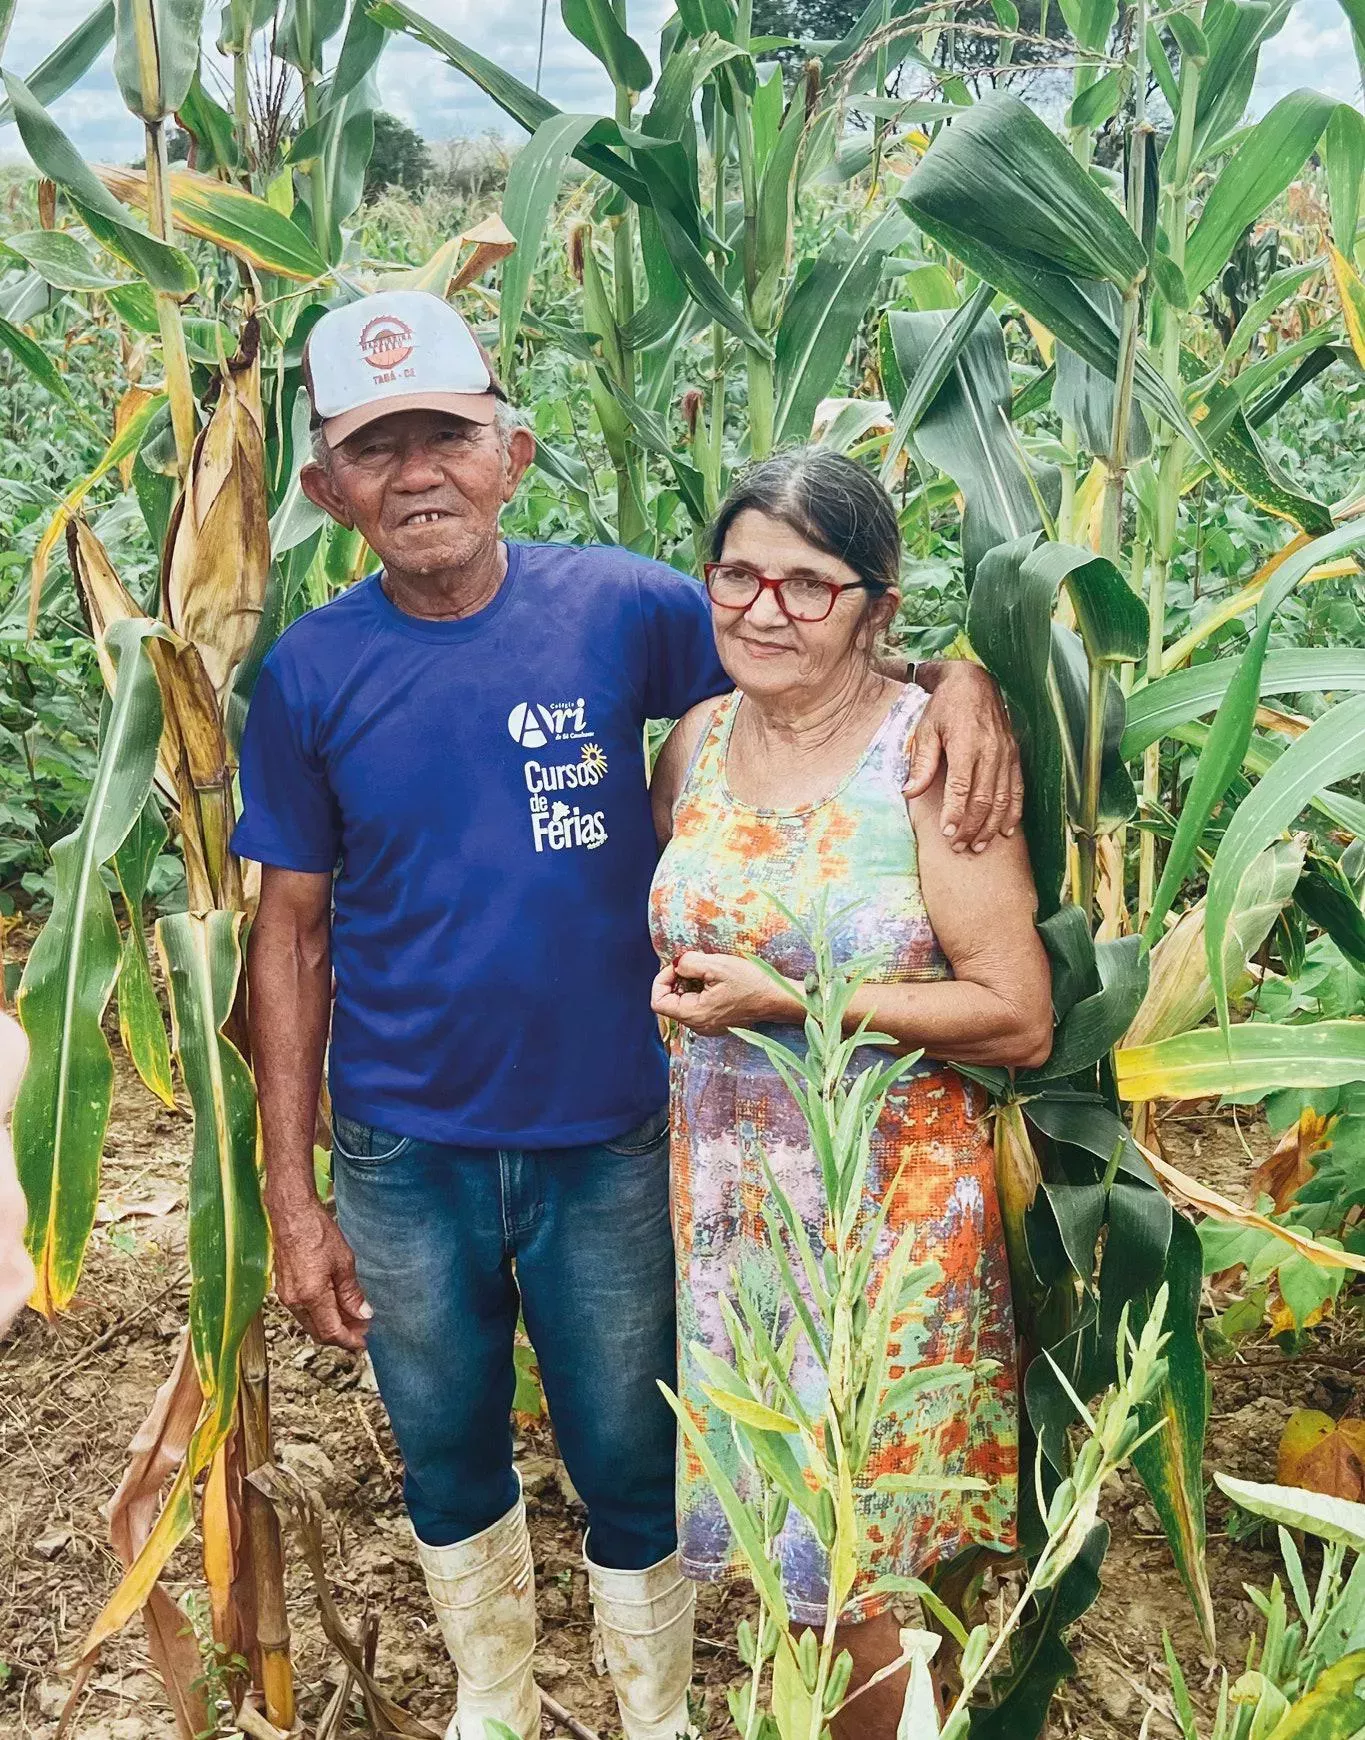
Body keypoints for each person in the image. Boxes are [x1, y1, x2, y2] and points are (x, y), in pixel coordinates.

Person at [232, 289, 1023, 1740]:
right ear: (324, 488)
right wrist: (294, 1197)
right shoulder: (303, 677)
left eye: (448, 437)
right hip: (403, 1149)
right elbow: (286, 941)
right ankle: (494, 1698)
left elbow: (802, 650)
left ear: (511, 453)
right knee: (448, 1448)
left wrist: (952, 677)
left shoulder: (622, 605)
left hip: (617, 1136)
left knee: (626, 1449)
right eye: (377, 447)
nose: (419, 473)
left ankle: (650, 1712)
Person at [649, 450, 1052, 1737]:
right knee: (791, 1554)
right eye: (739, 574)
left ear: (879, 608)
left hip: (885, 1212)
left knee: (852, 1563)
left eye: (809, 585)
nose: (765, 610)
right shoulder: (698, 743)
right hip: (727, 1203)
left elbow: (1019, 1014)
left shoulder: (929, 759)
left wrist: (793, 1004)